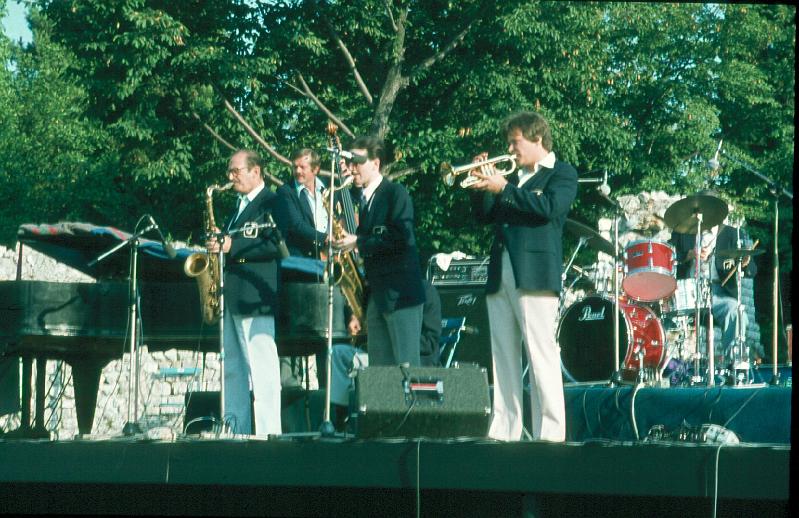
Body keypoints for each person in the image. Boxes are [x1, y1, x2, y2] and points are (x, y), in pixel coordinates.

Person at [467, 111, 578, 442]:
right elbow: (484, 216)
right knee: (502, 354)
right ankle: (504, 429)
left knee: (540, 353)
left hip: (535, 274)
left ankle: (551, 433)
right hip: (501, 271)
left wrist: (503, 188)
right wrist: (479, 185)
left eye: (515, 142)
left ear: (537, 138)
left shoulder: (562, 173)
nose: (510, 149)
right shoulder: (512, 178)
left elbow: (549, 210)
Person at [205, 149, 284, 436]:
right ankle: (235, 430)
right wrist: (218, 244)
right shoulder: (238, 206)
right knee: (233, 369)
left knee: (262, 371)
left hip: (255, 297)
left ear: (256, 171)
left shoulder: (273, 202)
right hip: (232, 295)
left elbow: (276, 245)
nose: (230, 176)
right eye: (230, 171)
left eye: (236, 171)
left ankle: (267, 434)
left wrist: (231, 247)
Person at [332, 135, 426, 367]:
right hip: (378, 296)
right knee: (379, 371)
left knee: (406, 368)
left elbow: (401, 238)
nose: (352, 169)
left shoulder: (395, 193)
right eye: (350, 162)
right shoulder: (366, 198)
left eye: (358, 162)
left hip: (400, 294)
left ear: (376, 163)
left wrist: (358, 242)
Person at [329, 279, 442, 431]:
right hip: (374, 352)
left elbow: (430, 342)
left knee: (360, 361)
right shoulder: (376, 292)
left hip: (405, 357)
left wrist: (393, 336)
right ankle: (340, 418)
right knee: (337, 352)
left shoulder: (426, 291)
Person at [669, 213, 758, 367]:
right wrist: (689, 255)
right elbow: (668, 255)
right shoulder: (683, 232)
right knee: (661, 314)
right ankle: (667, 367)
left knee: (736, 311)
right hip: (687, 289)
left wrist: (745, 263)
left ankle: (735, 363)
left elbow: (752, 270)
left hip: (719, 291)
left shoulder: (733, 234)